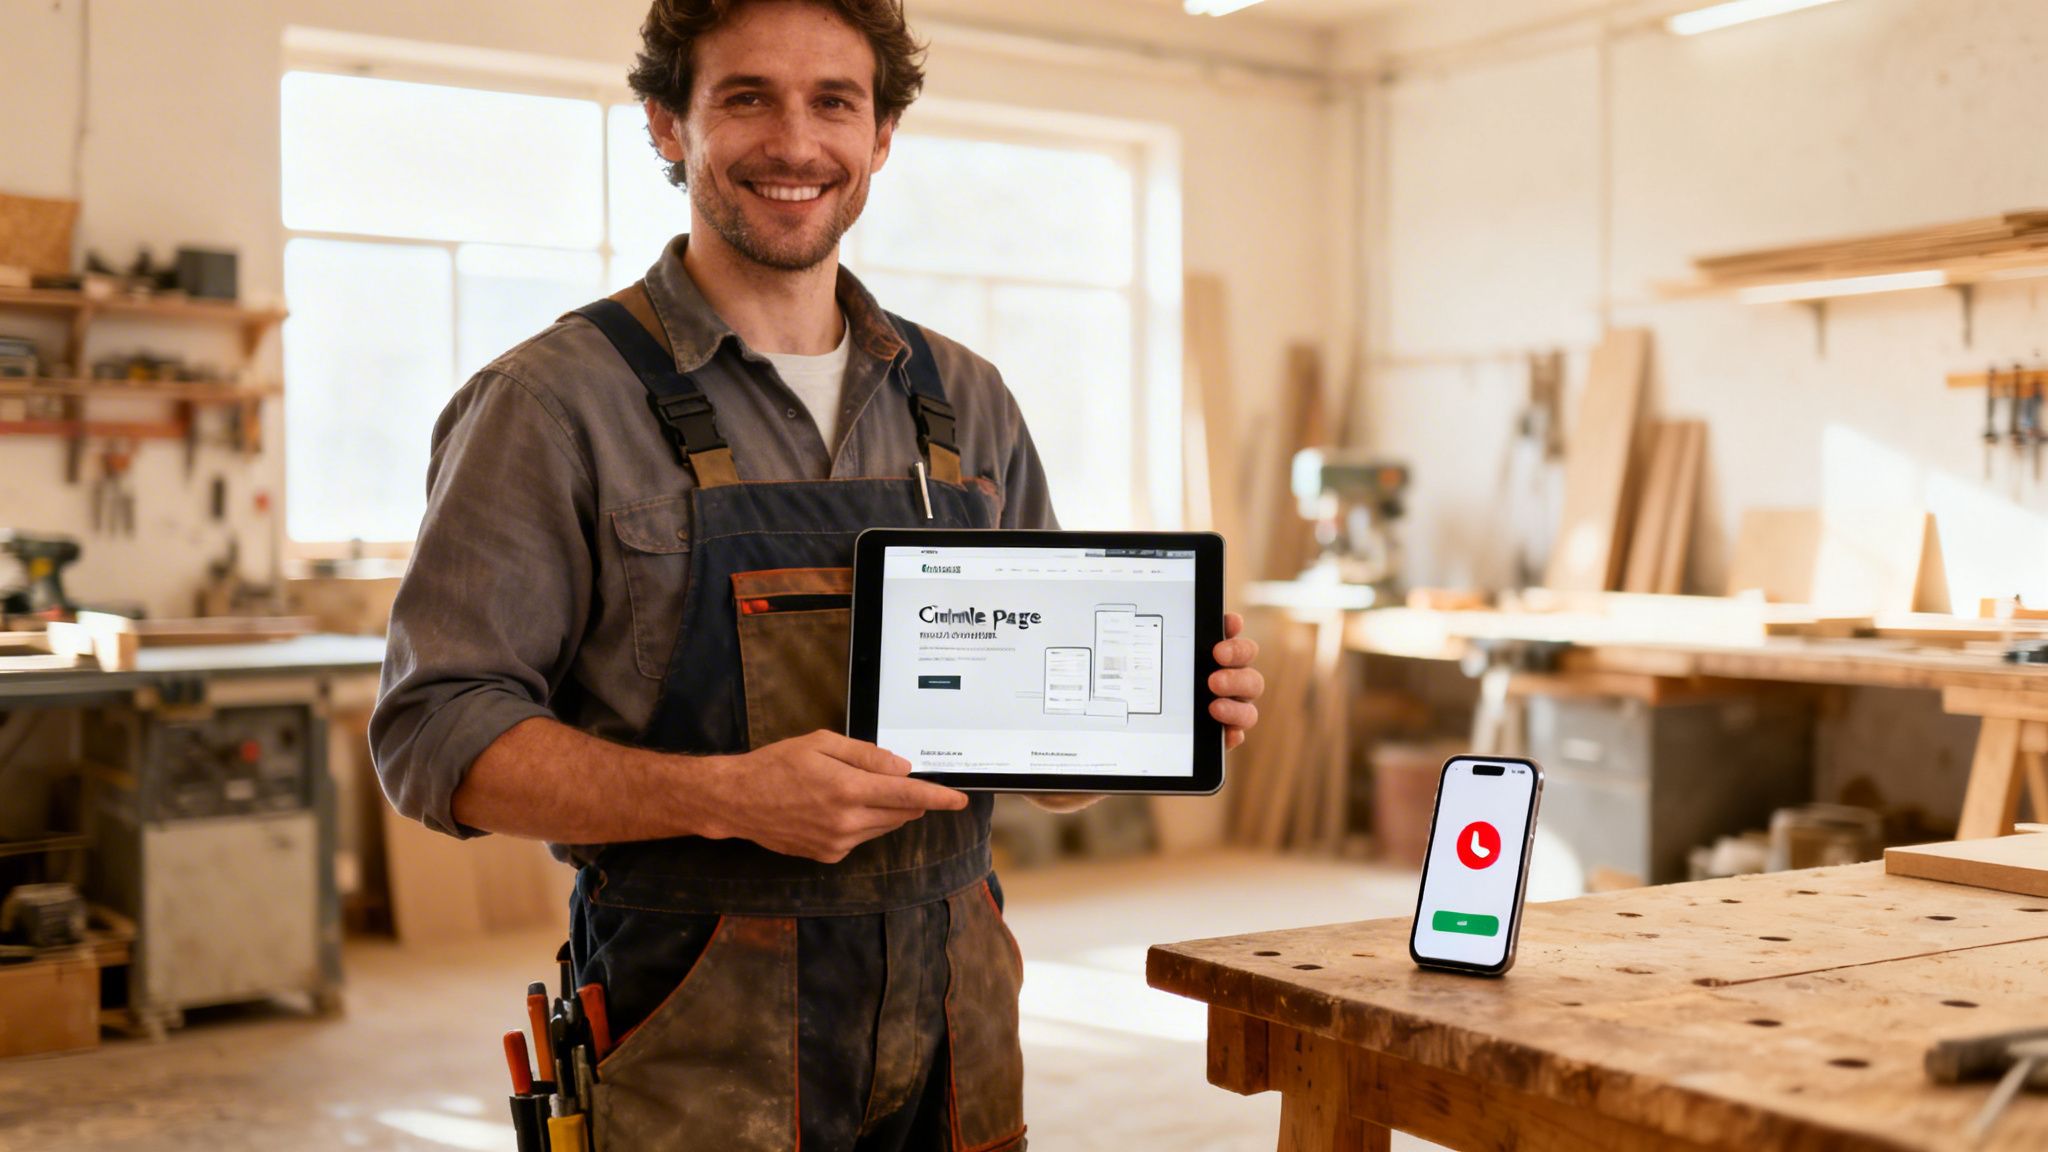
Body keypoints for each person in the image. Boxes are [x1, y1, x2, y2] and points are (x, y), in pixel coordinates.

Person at [370, 0, 1265, 1148]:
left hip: (959, 1015)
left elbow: (1046, 777)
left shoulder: (965, 400)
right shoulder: (552, 403)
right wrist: (721, 797)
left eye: (833, 101)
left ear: (881, 135)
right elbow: (432, 735)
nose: (795, 143)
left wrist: (1151, 713)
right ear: (665, 125)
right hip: (693, 1026)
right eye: (746, 96)